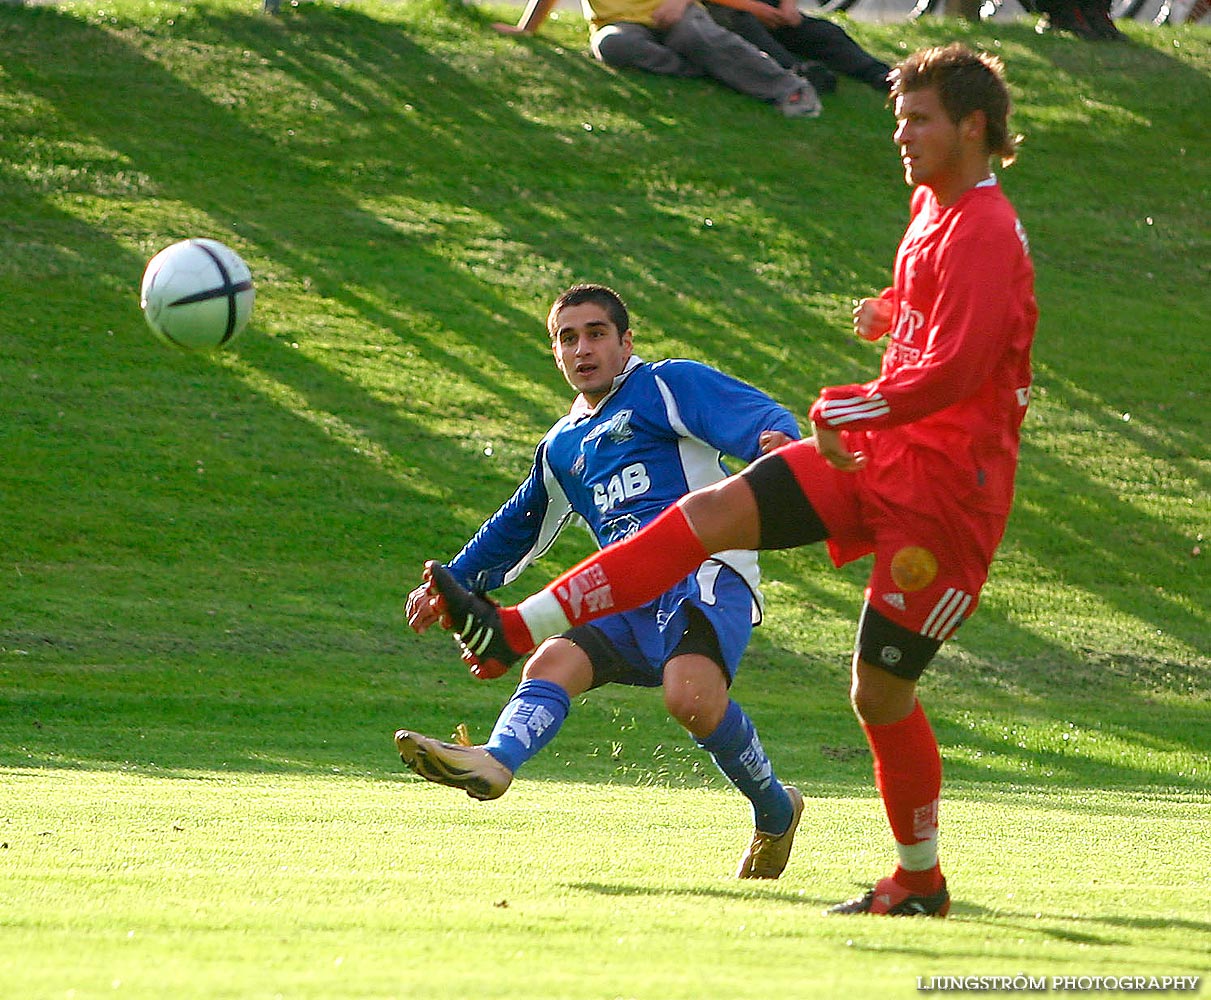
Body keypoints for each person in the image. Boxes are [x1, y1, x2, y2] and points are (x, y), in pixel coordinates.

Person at [426, 43, 1038, 917]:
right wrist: (892, 312)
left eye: (917, 120)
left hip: (947, 500)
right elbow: (947, 320)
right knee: (706, 510)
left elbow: (960, 367)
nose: (900, 135)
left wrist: (851, 407)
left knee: (878, 691)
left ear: (971, 127)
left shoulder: (981, 224)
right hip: (881, 460)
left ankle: (918, 880)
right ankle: (516, 630)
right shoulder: (932, 209)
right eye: (899, 118)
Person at [399, 283, 809, 880]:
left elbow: (761, 417)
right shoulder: (562, 446)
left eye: (596, 334)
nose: (583, 348)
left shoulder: (666, 385)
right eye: (568, 338)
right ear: (556, 352)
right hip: (623, 591)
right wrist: (451, 582)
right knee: (550, 662)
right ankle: (495, 759)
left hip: (705, 575)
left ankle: (775, 810)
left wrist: (779, 445)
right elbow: (515, 529)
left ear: (626, 342)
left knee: (689, 698)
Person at [492, 0, 823, 118]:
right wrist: (526, 30)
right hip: (619, 23)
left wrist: (679, 2)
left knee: (694, 36)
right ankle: (707, 70)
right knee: (611, 46)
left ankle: (791, 90)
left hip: (676, 13)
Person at [703, 0, 893, 94]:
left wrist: (788, 6)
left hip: (772, 9)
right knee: (746, 29)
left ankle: (877, 73)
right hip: (728, 10)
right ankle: (797, 73)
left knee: (825, 33)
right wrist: (754, 8)